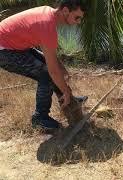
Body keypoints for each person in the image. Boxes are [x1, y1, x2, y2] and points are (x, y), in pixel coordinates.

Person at [0, 0, 87, 130]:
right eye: (77, 17)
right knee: (46, 74)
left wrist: (61, 67)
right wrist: (65, 89)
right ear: (65, 11)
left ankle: (69, 102)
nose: (78, 21)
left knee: (54, 70)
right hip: (4, 51)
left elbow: (50, 58)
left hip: (15, 45)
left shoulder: (47, 13)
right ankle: (40, 118)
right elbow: (53, 71)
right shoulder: (47, 26)